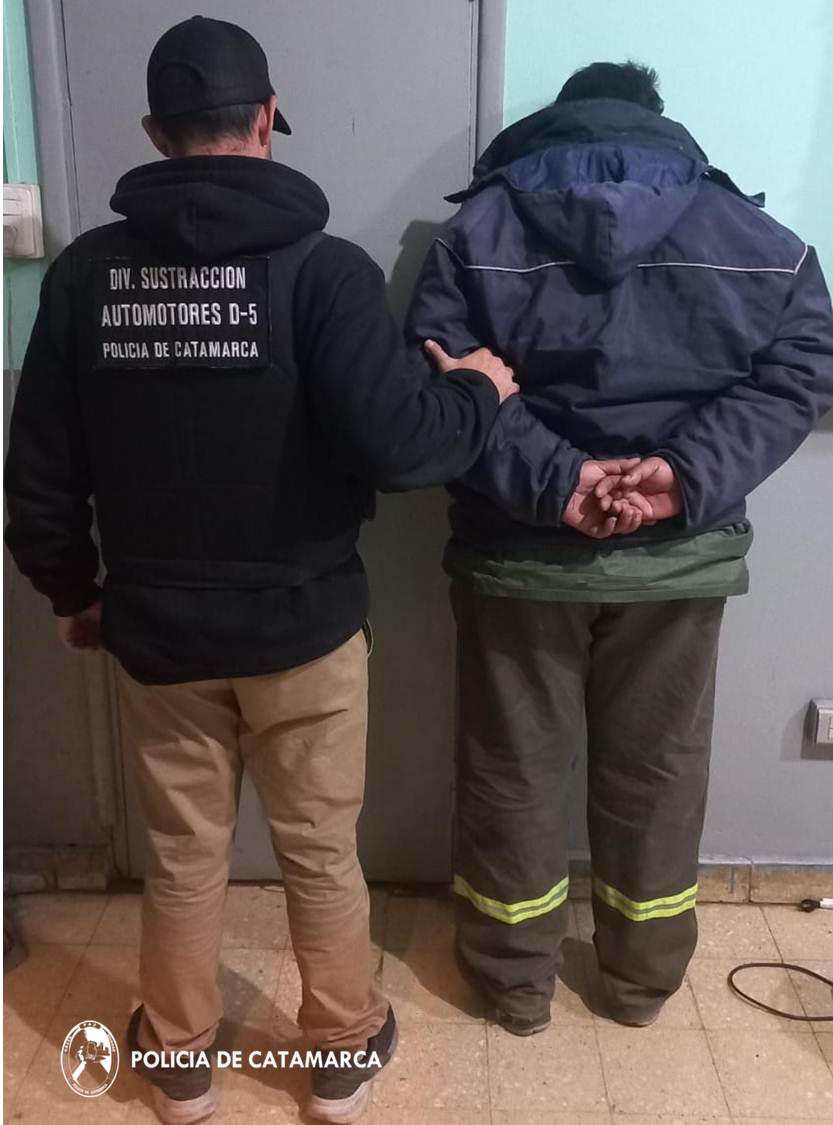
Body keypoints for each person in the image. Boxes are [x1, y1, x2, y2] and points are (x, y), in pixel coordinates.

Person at [4, 16, 516, 1125]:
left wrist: (72, 592)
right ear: (269, 118)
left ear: (156, 132)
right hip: (305, 631)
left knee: (181, 858)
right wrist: (478, 387)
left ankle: (179, 1063)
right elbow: (403, 445)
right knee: (320, 853)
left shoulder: (87, 276)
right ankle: (337, 1058)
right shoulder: (323, 274)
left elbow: (37, 466)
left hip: (156, 634)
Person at [408, 61, 833, 1033]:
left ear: (561, 122)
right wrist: (679, 477)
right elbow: (802, 367)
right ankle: (639, 983)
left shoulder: (476, 233)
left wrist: (561, 482)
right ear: (655, 123)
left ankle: (514, 983)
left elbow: (436, 375)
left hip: (519, 557)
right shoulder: (759, 241)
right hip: (678, 559)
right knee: (658, 772)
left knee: (511, 770)